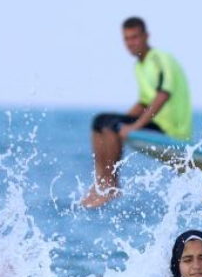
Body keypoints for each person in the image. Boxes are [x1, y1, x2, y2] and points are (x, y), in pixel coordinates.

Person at [81, 17, 192, 208]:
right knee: (101, 122)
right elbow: (143, 103)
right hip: (154, 122)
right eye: (126, 39)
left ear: (146, 36)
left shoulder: (159, 59)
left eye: (135, 37)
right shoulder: (139, 65)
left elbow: (163, 95)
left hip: (170, 129)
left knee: (112, 125)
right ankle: (101, 182)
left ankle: (111, 185)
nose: (131, 43)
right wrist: (121, 123)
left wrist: (133, 126)